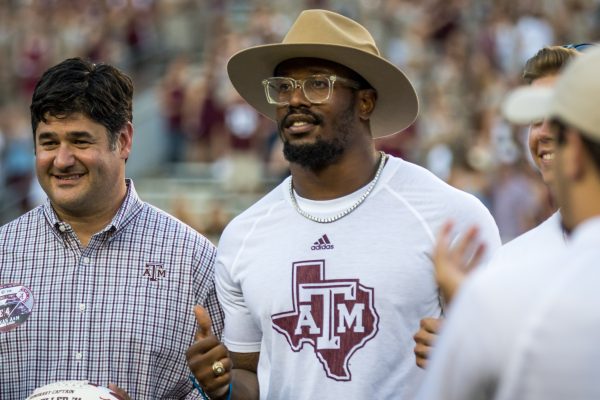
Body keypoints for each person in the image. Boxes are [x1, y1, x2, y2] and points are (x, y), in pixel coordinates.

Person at [186, 9, 500, 400]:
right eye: (283, 87)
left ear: (365, 102)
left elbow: (505, 363)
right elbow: (253, 376)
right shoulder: (244, 234)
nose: (295, 100)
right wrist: (223, 384)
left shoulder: (449, 217)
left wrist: (468, 357)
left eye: (318, 84)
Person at [0, 57, 224, 399]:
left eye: (80, 141)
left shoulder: (193, 261)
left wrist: (222, 382)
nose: (61, 160)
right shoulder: (4, 253)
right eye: (48, 143)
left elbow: (229, 385)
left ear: (123, 140)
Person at [416, 46, 600, 400]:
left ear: (575, 149)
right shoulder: (509, 262)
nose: (540, 134)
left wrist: (475, 336)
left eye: (556, 120)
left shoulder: (495, 296)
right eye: (534, 120)